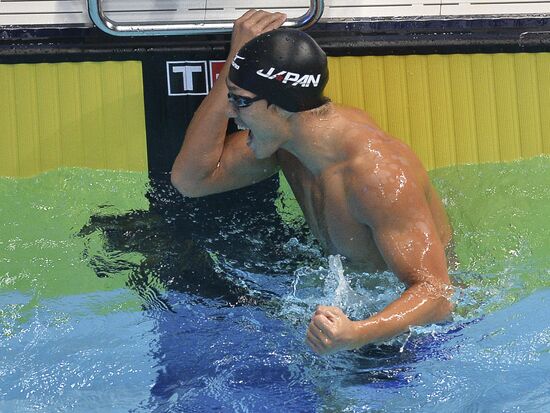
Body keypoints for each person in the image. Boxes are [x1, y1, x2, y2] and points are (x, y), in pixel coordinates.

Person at [171, 10, 454, 355]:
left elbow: (438, 295)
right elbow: (190, 180)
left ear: (282, 107)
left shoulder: (376, 176)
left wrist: (358, 333)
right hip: (350, 316)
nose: (230, 111)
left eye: (241, 101)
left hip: (422, 337)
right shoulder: (286, 143)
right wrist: (234, 63)